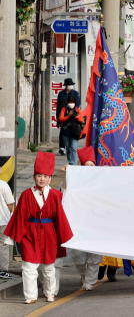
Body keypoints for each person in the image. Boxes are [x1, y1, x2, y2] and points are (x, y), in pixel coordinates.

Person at [3, 152, 73, 304]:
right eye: (39, 175)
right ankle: (30, 296)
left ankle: (50, 293)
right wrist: (9, 238)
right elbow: (19, 217)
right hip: (30, 234)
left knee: (49, 268)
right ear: (34, 176)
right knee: (28, 267)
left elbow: (61, 216)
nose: (42, 179)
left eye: (45, 176)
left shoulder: (55, 195)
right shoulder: (26, 195)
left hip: (49, 235)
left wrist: (65, 237)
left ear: (50, 178)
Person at [68, 146, 103, 291]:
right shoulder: (75, 182)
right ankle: (84, 275)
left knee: (94, 256)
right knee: (78, 254)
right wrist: (68, 176)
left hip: (98, 222)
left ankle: (90, 281)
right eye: (86, 165)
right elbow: (65, 193)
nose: (89, 168)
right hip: (80, 223)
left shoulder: (102, 181)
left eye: (91, 165)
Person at [56, 78, 80, 156]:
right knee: (63, 129)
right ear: (65, 85)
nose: (70, 86)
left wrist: (75, 113)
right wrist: (57, 117)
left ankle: (70, 146)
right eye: (69, 85)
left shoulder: (75, 93)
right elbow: (58, 105)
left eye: (71, 85)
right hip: (63, 113)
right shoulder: (61, 94)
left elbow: (78, 104)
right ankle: (62, 147)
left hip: (73, 114)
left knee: (72, 129)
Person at [59, 94, 84, 166]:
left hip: (75, 132)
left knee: (73, 147)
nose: (71, 103)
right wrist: (68, 116)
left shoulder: (77, 109)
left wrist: (76, 116)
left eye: (72, 102)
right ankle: (70, 162)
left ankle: (73, 163)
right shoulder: (64, 109)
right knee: (69, 148)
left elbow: (82, 120)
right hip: (66, 132)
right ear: (67, 102)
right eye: (70, 102)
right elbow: (61, 119)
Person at [0, 176, 15, 280]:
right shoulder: (3, 185)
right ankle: (2, 271)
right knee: (3, 245)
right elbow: (10, 204)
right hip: (3, 220)